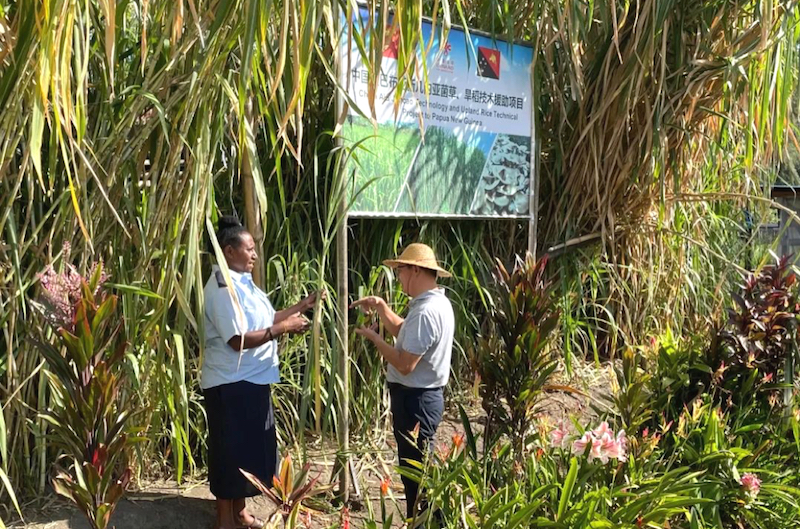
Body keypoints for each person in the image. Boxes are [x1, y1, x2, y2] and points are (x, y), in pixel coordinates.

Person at [202, 216, 323, 529]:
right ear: (228, 251)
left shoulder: (244, 282)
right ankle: (224, 518)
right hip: (230, 383)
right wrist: (283, 328)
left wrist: (300, 308)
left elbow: (266, 320)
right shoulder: (221, 287)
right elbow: (236, 340)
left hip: (253, 379)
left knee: (247, 452)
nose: (255, 255)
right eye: (249, 249)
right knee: (229, 452)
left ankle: (240, 512)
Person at [351, 243, 454, 523]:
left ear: (416, 270)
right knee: (417, 471)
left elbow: (405, 364)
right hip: (420, 398)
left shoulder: (425, 312)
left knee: (417, 475)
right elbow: (405, 333)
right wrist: (383, 309)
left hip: (416, 400)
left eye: (400, 270)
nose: (398, 276)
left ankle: (426, 524)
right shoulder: (434, 304)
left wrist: (375, 340)